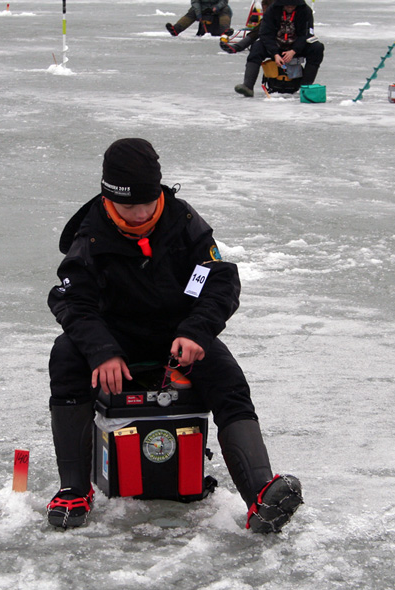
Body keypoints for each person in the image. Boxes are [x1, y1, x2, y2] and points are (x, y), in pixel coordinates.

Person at [46, 138, 302, 533]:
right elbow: (72, 303)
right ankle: (74, 489)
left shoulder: (182, 222)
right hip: (115, 339)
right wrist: (101, 351)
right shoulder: (90, 234)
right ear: (108, 197)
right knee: (65, 355)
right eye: (127, 207)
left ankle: (259, 494)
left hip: (178, 339)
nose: (138, 214)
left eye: (146, 204)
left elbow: (219, 279)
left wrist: (197, 331)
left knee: (227, 377)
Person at [234, 0, 324, 97]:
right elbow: (265, 34)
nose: (290, 7)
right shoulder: (272, 10)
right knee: (257, 47)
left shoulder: (305, 11)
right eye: (287, 5)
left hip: (296, 47)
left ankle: (306, 87)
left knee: (317, 48)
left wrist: (294, 51)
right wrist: (275, 54)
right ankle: (248, 86)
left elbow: (306, 34)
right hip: (276, 45)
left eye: (293, 5)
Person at [166, 0, 233, 38]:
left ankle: (225, 31)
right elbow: (195, 2)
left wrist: (217, 7)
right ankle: (176, 29)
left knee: (225, 10)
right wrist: (198, 13)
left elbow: (224, 1)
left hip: (217, 7)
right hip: (202, 7)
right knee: (192, 11)